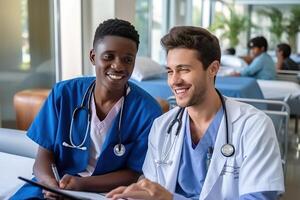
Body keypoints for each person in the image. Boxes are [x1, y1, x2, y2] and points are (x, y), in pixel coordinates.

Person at [107, 26, 284, 200]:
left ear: (213, 69)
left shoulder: (254, 126)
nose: (174, 81)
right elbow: (152, 188)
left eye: (184, 69)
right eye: (170, 71)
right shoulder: (162, 126)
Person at [11, 18, 162, 199]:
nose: (118, 65)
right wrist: (49, 184)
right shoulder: (63, 94)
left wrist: (81, 184)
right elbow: (43, 157)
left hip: (107, 192)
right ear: (93, 57)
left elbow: (133, 173)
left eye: (127, 59)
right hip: (56, 185)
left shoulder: (147, 110)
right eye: (108, 56)